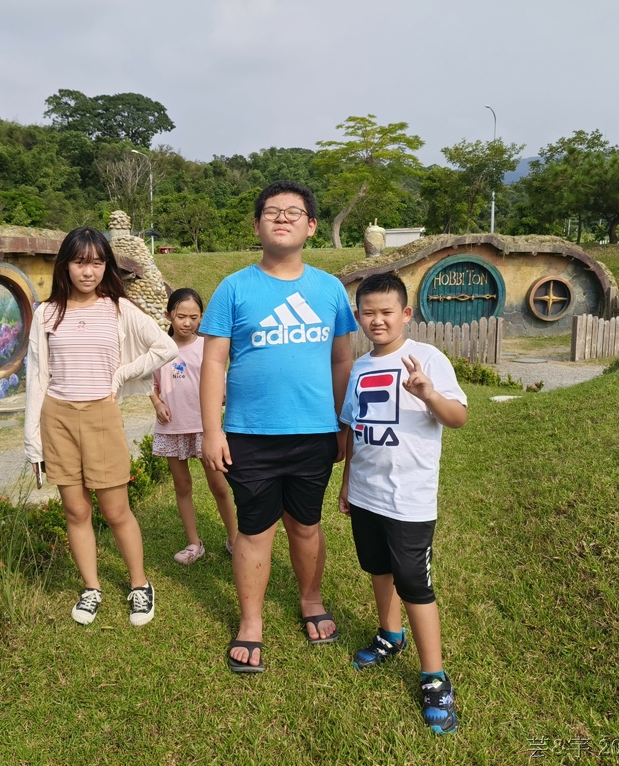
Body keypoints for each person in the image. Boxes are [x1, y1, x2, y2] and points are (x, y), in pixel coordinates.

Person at [199, 180, 358, 673]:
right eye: (272, 211)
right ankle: (250, 623)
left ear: (311, 226)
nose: (282, 218)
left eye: (294, 212)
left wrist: (341, 425)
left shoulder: (329, 289)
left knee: (305, 525)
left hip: (314, 432)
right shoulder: (234, 287)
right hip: (249, 433)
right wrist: (212, 430)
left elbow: (341, 362)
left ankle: (311, 598)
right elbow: (213, 364)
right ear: (257, 224)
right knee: (254, 529)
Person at [24, 226, 177, 627]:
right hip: (56, 417)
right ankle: (91, 587)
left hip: (101, 415)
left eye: (96, 262)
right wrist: (32, 443)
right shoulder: (46, 313)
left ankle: (140, 585)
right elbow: (37, 378)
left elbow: (166, 346)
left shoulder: (118, 308)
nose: (87, 272)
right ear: (65, 265)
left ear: (106, 265)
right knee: (75, 510)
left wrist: (122, 374)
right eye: (79, 262)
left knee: (115, 510)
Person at [337, 272, 468, 734]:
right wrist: (348, 481)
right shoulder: (358, 367)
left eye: (386, 312)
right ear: (358, 317)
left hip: (409, 498)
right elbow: (353, 430)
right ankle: (390, 635)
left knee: (414, 581)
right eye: (368, 312)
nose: (377, 320)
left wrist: (428, 393)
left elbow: (459, 418)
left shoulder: (427, 358)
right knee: (377, 567)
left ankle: (435, 677)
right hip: (367, 493)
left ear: (406, 314)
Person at [150, 288, 238, 565]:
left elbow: (220, 383)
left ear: (202, 318)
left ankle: (235, 539)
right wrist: (156, 402)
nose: (187, 323)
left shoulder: (206, 347)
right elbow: (147, 382)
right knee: (182, 485)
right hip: (172, 427)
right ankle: (193, 543)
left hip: (204, 427)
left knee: (219, 485)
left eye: (194, 317)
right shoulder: (160, 349)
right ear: (168, 315)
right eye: (181, 316)